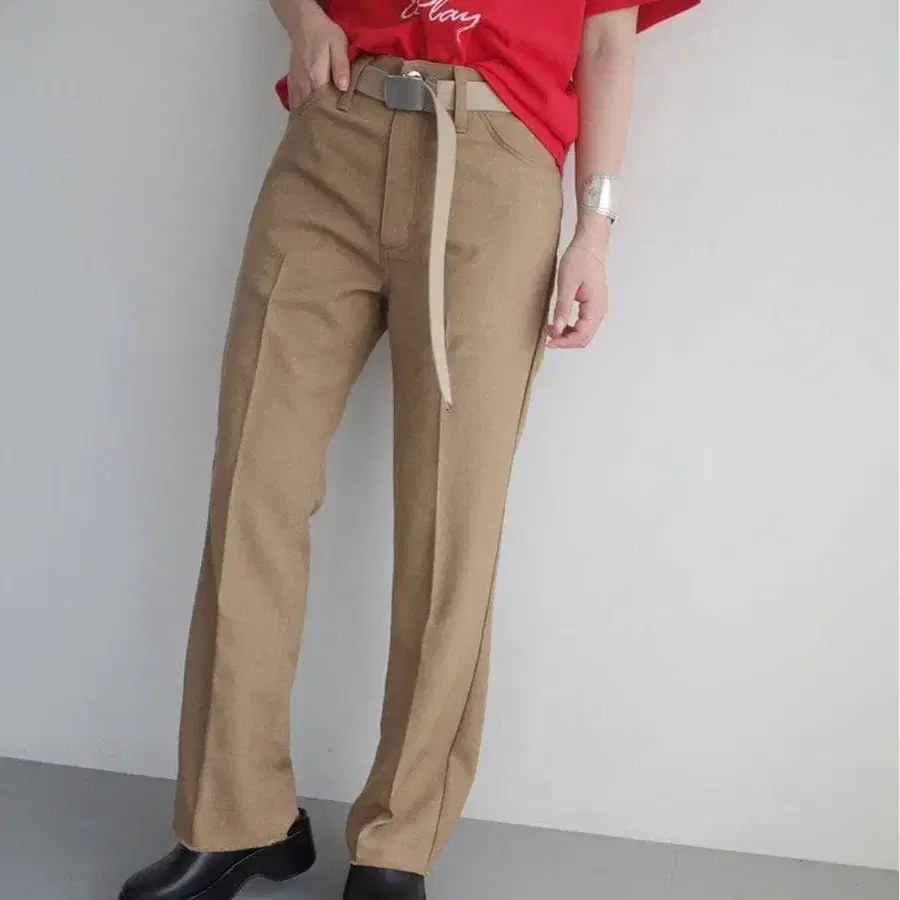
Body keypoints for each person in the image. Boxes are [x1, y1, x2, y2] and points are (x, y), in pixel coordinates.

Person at [119, 0, 699, 898]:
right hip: (336, 136)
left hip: (495, 160)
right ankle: (235, 818)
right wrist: (302, 18)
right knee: (253, 488)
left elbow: (604, 38)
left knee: (450, 518)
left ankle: (399, 844)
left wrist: (595, 227)